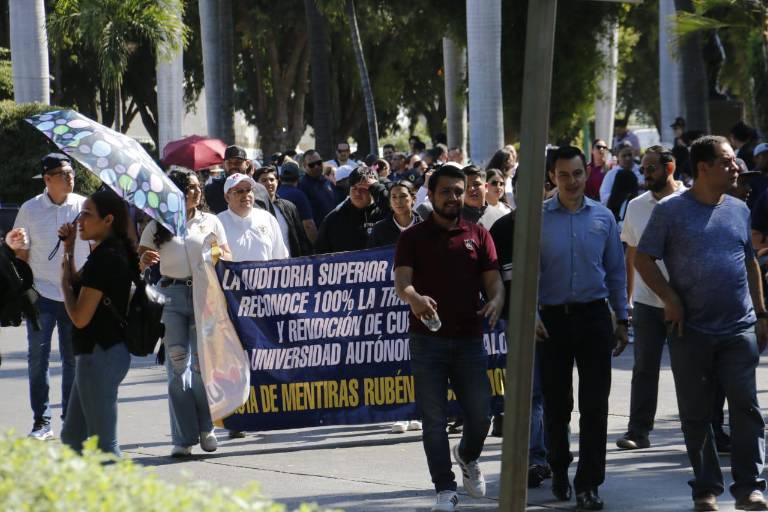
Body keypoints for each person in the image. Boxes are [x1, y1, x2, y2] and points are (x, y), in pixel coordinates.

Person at [635, 135, 768, 512]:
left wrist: (760, 314)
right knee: (697, 414)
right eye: (727, 161)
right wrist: (670, 298)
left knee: (746, 409)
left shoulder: (740, 208)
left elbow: (749, 261)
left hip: (738, 328)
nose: (735, 166)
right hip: (690, 331)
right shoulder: (671, 211)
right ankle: (706, 489)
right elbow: (643, 258)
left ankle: (749, 488)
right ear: (704, 168)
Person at [394, 164, 504, 512]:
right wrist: (415, 298)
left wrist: (497, 299)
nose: (455, 197)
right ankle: (445, 489)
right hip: (427, 342)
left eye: (460, 191)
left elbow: (494, 281)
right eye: (447, 192)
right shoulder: (412, 237)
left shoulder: (478, 234)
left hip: (470, 340)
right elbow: (402, 282)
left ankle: (468, 456)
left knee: (481, 415)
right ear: (431, 195)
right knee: (434, 421)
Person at [538, 146, 629, 510]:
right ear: (551, 177)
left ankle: (589, 483)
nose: (572, 181)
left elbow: (617, 272)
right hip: (552, 322)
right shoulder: (537, 218)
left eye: (577, 173)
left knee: (595, 406)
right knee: (557, 404)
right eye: (563, 175)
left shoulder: (603, 218)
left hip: (594, 317)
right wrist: (530, 315)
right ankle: (559, 468)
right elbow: (525, 272)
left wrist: (622, 318)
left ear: (584, 173)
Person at [139, 169, 231, 455]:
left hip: (204, 294)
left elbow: (227, 256)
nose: (194, 192)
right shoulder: (158, 224)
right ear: (174, 193)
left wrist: (217, 254)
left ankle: (207, 428)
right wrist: (144, 258)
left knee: (202, 369)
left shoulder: (211, 221)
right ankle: (183, 439)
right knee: (178, 369)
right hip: (172, 297)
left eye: (196, 187)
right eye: (187, 188)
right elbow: (139, 258)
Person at [12, 153, 90, 440]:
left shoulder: (84, 206)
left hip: (75, 293)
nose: (70, 177)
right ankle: (41, 422)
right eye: (63, 174)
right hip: (41, 293)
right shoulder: (30, 209)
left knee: (72, 360)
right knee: (38, 359)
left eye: (71, 172)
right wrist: (16, 246)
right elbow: (22, 253)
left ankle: (69, 419)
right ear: (47, 179)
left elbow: (94, 247)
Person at [615, 146, 686, 451]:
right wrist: (627, 300)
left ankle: (702, 432)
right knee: (644, 366)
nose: (645, 174)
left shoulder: (689, 201)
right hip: (646, 302)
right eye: (643, 169)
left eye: (651, 168)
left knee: (690, 369)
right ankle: (638, 431)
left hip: (684, 301)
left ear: (669, 169)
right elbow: (631, 254)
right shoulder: (636, 206)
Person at [57, 189, 137, 456]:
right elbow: (79, 280)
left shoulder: (107, 258)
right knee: (72, 438)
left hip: (99, 355)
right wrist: (68, 251)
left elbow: (79, 317)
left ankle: (117, 495)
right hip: (99, 354)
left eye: (88, 215)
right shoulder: (105, 253)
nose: (80, 220)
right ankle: (78, 495)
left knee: (104, 447)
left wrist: (64, 289)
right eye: (81, 214)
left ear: (108, 220)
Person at [489, 209, 551, 488]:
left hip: (557, 315)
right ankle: (535, 458)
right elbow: (495, 281)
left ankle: (551, 452)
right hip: (517, 321)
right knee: (532, 391)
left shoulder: (555, 221)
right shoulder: (500, 230)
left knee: (556, 391)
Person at [315, 167, 390, 254]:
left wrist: (379, 189)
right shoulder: (334, 219)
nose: (357, 193)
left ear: (373, 190)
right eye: (354, 188)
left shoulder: (387, 213)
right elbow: (320, 254)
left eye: (363, 188)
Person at [217, 173, 289, 262]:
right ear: (227, 197)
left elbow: (280, 258)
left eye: (249, 190)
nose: (246, 194)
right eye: (239, 191)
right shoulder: (217, 223)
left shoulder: (268, 218)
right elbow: (214, 264)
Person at [254, 166, 313, 257]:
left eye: (272, 179)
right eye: (264, 180)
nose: (269, 183)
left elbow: (300, 238)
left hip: (290, 265)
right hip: (264, 267)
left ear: (277, 182)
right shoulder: (252, 211)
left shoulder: (289, 207)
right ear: (256, 184)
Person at [276, 160, 318, 244]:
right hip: (296, 245)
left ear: (280, 178)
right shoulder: (299, 196)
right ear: (298, 178)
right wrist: (317, 246)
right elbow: (308, 225)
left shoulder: (276, 194)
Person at [204, 145, 252, 214]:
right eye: (229, 162)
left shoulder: (260, 190)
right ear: (223, 164)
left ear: (247, 164)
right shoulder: (211, 190)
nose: (233, 166)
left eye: (238, 162)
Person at [299, 149, 338, 227]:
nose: (316, 166)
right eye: (311, 165)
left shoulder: (327, 181)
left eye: (319, 163)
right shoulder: (302, 186)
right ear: (304, 166)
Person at [461, 166, 505, 230]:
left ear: (486, 187)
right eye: (466, 186)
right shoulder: (453, 218)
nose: (471, 189)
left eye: (476, 184)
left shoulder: (500, 216)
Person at [599, 142, 643, 207]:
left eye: (630, 155)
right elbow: (604, 197)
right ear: (617, 157)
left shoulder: (642, 170)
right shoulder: (611, 174)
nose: (627, 158)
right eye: (624, 156)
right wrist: (621, 193)